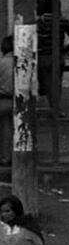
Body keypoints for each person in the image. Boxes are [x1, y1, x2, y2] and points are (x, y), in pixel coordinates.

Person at [35, 0, 69, 115]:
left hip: (43, 56)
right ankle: (56, 107)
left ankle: (52, 106)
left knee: (46, 82)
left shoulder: (40, 21)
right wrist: (66, 49)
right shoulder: (63, 20)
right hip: (59, 55)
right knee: (57, 83)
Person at [0, 37, 14, 166]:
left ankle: (5, 157)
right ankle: (10, 156)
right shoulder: (21, 63)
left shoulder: (1, 63)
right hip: (18, 100)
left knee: (5, 128)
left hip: (3, 99)